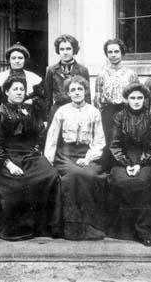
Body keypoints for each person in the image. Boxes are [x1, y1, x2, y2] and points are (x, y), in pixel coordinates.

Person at [0, 75, 61, 240]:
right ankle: (19, 229)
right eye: (15, 89)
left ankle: (45, 227)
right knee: (18, 183)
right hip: (8, 157)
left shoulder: (29, 110)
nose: (19, 92)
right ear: (7, 91)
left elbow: (39, 134)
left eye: (22, 89)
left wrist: (36, 150)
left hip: (30, 155)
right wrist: (9, 165)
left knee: (51, 175)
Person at [44, 76, 107, 240]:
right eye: (73, 90)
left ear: (85, 91)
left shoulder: (93, 112)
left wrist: (88, 158)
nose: (77, 92)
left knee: (90, 175)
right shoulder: (62, 111)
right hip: (65, 155)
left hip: (87, 155)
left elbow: (99, 140)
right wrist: (49, 161)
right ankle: (71, 228)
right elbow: (52, 137)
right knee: (74, 175)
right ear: (68, 93)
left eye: (80, 89)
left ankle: (90, 226)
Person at [107, 83, 151, 246]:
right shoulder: (119, 116)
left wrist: (139, 164)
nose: (136, 101)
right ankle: (124, 229)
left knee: (142, 181)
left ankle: (143, 228)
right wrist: (125, 163)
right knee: (122, 180)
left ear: (145, 99)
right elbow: (115, 144)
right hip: (121, 158)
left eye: (140, 98)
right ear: (126, 99)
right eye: (133, 98)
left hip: (146, 159)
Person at [94, 39, 139, 146]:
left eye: (116, 52)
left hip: (126, 112)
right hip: (107, 113)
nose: (113, 55)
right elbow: (97, 98)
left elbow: (138, 96)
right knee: (109, 141)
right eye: (110, 52)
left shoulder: (131, 74)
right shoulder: (101, 74)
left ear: (122, 53)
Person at [0, 42, 46, 120]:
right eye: (13, 58)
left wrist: (32, 101)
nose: (17, 61)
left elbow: (42, 99)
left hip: (29, 118)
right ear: (9, 60)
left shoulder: (34, 78)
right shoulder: (0, 78)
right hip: (6, 119)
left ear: (25, 60)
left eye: (20, 58)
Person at [44, 34, 91, 122]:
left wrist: (87, 115)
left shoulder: (82, 70)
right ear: (58, 51)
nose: (65, 52)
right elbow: (47, 97)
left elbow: (87, 95)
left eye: (68, 49)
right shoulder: (51, 70)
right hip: (57, 110)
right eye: (62, 49)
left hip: (77, 111)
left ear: (74, 50)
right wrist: (47, 119)